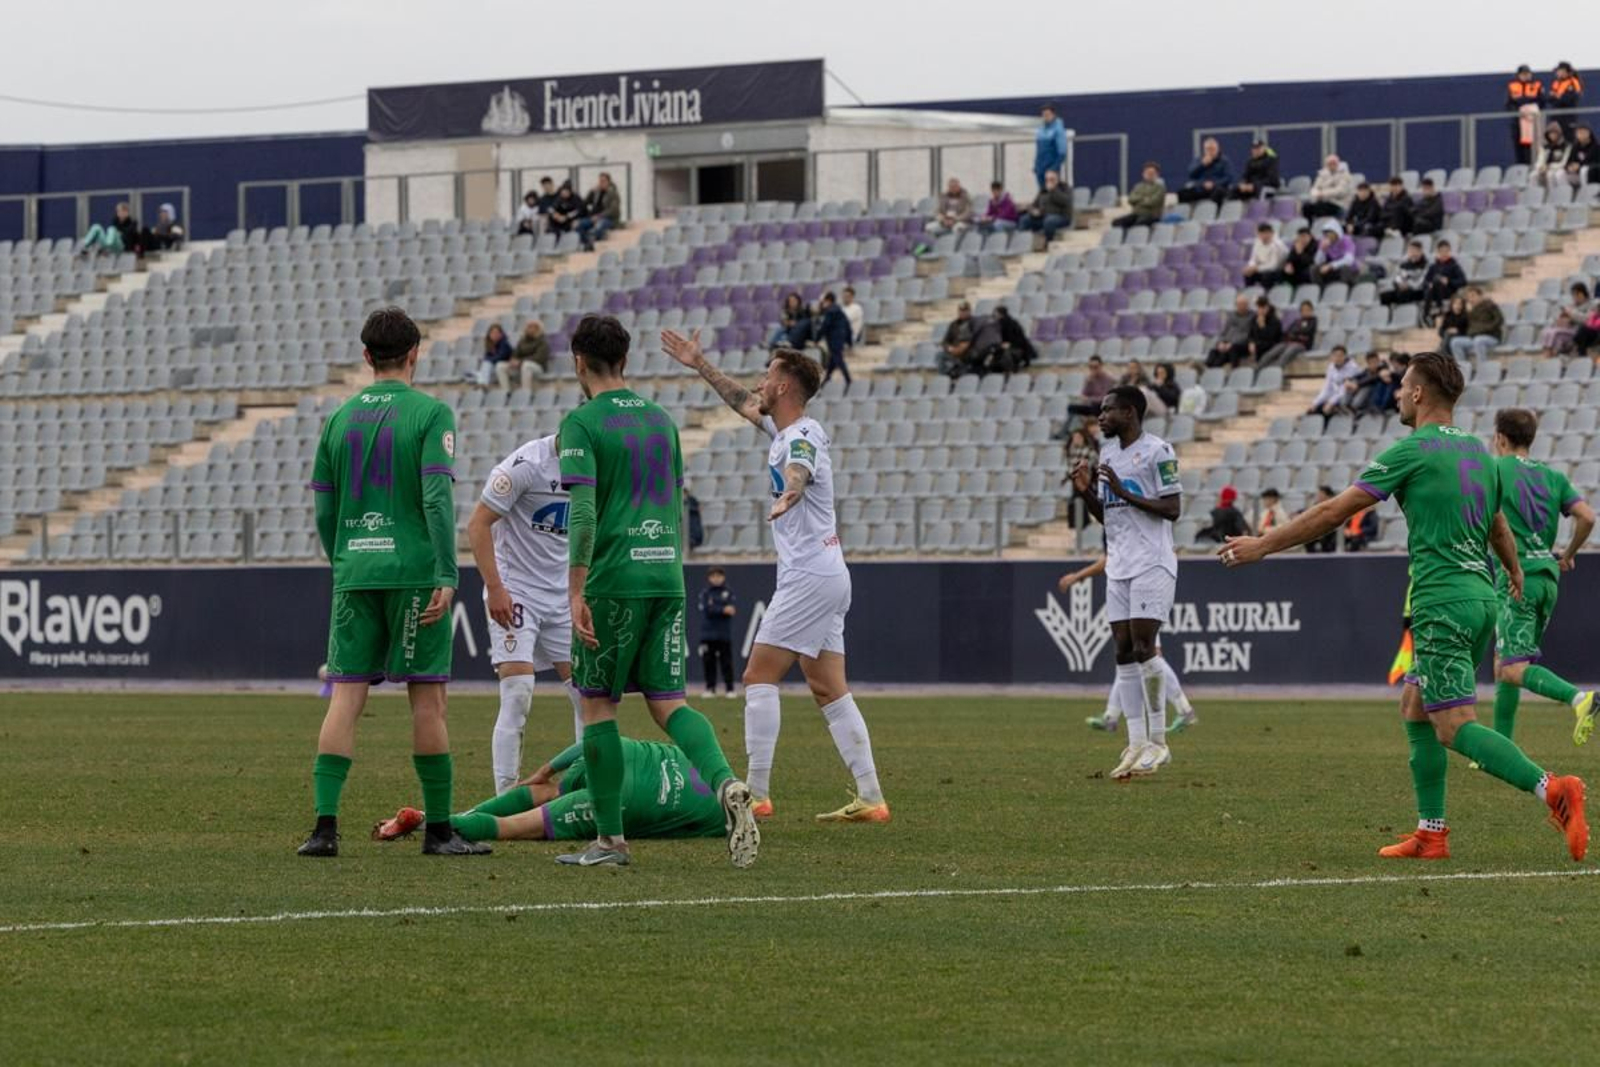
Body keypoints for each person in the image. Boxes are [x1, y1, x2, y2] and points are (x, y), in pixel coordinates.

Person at [1217, 351, 1589, 863]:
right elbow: (1498, 525)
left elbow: (1333, 511)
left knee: (1453, 724)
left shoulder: (1410, 451)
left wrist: (1263, 544)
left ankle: (1553, 789)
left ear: (1418, 394)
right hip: (1481, 597)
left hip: (1441, 602)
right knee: (1415, 705)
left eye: (1401, 387)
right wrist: (1515, 570)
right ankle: (1431, 833)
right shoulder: (1482, 454)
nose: (1394, 394)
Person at [663, 329, 890, 824]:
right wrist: (699, 361)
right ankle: (872, 797)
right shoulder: (783, 430)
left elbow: (801, 468)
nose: (760, 383)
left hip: (809, 574)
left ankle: (758, 793)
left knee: (756, 676)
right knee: (828, 686)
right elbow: (744, 403)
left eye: (768, 375)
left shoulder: (801, 436)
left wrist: (791, 491)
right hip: (828, 572)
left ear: (785, 386)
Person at [556, 314, 758, 869]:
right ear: (626, 360)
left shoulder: (581, 423)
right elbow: (674, 500)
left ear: (579, 362)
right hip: (666, 573)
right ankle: (724, 784)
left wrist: (576, 589)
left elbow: (584, 514)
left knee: (598, 706)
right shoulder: (662, 420)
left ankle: (611, 841)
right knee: (670, 703)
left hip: (613, 579)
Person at [298, 306, 482, 858]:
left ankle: (324, 829)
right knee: (428, 700)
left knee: (347, 696)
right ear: (414, 354)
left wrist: (344, 559)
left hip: (356, 570)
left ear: (365, 357)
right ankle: (440, 830)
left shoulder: (338, 419)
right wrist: (447, 571)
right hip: (415, 573)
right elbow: (434, 497)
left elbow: (324, 510)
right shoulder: (431, 414)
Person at [1068, 386, 1183, 780]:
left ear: (1130, 412)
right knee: (1121, 651)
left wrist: (1120, 491)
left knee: (1144, 647)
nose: (1100, 417)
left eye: (1108, 410)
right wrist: (1086, 494)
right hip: (1118, 563)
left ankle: (1159, 741)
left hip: (1152, 562)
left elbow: (1173, 508)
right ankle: (1135, 742)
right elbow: (1110, 514)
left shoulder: (1158, 451)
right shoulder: (1109, 453)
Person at [466, 432, 586, 793]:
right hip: (517, 591)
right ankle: (506, 793)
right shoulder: (526, 465)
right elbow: (477, 524)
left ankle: (586, 787)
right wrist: (496, 587)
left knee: (587, 696)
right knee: (518, 691)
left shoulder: (598, 464)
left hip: (563, 595)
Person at [373, 736, 727, 847]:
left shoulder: (694, 754)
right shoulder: (717, 818)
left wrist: (544, 771)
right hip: (623, 799)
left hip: (613, 754)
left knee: (547, 790)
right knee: (513, 828)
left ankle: (442, 818)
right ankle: (423, 822)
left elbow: (596, 739)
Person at [1487, 408, 1599, 746]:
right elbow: (1587, 517)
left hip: (1516, 578)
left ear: (1500, 438)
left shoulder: (1494, 470)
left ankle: (1580, 699)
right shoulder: (1553, 477)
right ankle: (1498, 749)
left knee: (1511, 666)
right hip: (1548, 578)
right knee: (1504, 662)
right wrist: (1568, 553)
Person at [1057, 555, 1197, 735]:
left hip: (1143, 586)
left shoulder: (1125, 531)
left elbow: (1111, 557)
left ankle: (1182, 711)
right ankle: (1112, 716)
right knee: (1130, 656)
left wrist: (1078, 576)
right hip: (1138, 586)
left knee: (1148, 655)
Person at [698, 567, 738, 699]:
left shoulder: (728, 592)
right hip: (707, 635)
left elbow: (731, 609)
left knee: (726, 662)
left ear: (723, 577)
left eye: (719, 576)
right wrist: (722, 609)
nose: (716, 579)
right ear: (709, 578)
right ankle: (710, 688)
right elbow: (708, 610)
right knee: (709, 662)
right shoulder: (705, 593)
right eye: (713, 576)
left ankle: (730, 689)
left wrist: (716, 607)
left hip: (723, 634)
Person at [1448, 287, 1505, 363]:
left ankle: (1483, 369)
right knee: (1455, 342)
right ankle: (1463, 369)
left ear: (1480, 296)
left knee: (1478, 340)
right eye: (1469, 297)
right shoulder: (1470, 310)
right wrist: (1466, 313)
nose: (1471, 299)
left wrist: (1486, 328)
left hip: (1491, 337)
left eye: (1473, 296)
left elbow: (1500, 320)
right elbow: (1463, 324)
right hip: (1474, 337)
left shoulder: (1490, 305)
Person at [1506, 64, 1545, 166]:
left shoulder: (1537, 85)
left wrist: (1527, 106)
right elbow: (1509, 104)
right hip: (1518, 121)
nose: (1526, 76)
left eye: (1527, 74)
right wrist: (1518, 111)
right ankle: (1521, 169)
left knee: (1533, 147)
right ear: (1518, 75)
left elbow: (1542, 102)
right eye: (1523, 74)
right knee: (1519, 147)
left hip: (1532, 122)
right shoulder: (1512, 86)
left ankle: (1533, 167)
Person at [1017, 170, 1074, 241]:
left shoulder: (1064, 188)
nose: (1049, 182)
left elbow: (1065, 201)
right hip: (1043, 216)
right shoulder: (1043, 190)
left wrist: (1053, 190)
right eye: (1047, 180)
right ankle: (1023, 243)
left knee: (1049, 221)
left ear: (1057, 179)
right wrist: (1033, 211)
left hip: (1061, 217)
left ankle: (1048, 243)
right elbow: (1034, 204)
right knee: (1025, 220)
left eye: (1052, 179)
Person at [1419, 240, 1467, 323]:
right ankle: (1430, 313)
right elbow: (1425, 281)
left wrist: (1448, 281)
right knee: (1432, 285)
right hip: (1433, 292)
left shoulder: (1454, 266)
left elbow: (1463, 281)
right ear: (1438, 252)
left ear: (1449, 251)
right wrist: (1429, 284)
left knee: (1437, 282)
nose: (1444, 253)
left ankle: (1430, 313)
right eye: (1442, 251)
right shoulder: (1433, 267)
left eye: (1446, 251)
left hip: (1448, 291)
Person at [1307, 346, 1360, 421]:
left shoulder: (1352, 367)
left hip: (1348, 396)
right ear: (1332, 356)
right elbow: (1327, 388)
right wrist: (1315, 403)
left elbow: (1343, 389)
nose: (1338, 358)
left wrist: (1331, 402)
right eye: (1335, 355)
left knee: (1327, 408)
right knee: (1313, 409)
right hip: (1335, 395)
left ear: (1345, 356)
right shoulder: (1331, 367)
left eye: (1340, 356)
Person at [815, 290, 853, 392]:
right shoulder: (839, 311)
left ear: (828, 301)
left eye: (824, 302)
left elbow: (825, 326)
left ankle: (848, 380)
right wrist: (849, 341)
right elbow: (848, 326)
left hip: (833, 339)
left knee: (838, 359)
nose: (822, 305)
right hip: (840, 338)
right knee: (833, 361)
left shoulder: (830, 311)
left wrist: (816, 339)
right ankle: (825, 382)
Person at [1259, 301, 1316, 368]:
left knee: (1287, 353)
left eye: (1307, 310)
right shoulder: (1297, 321)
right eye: (1303, 310)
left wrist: (1295, 334)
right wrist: (1296, 334)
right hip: (1289, 342)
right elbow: (1289, 332)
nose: (1305, 312)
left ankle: (1275, 370)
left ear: (1311, 310)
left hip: (1302, 345)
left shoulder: (1313, 321)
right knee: (1272, 352)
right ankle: (1257, 370)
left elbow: (1307, 331)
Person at [1176, 137, 1233, 205]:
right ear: (1204, 150)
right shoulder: (1199, 160)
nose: (1210, 151)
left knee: (1219, 193)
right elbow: (1191, 174)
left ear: (1218, 149)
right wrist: (1202, 165)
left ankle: (1215, 213)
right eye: (1208, 149)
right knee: (1182, 193)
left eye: (1213, 149)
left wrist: (1214, 184)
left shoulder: (1224, 161)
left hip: (1216, 188)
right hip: (1201, 188)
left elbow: (1228, 178)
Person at [576, 172, 622, 251]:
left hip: (608, 219)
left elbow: (613, 210)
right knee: (580, 225)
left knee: (600, 225)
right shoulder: (596, 192)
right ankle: (587, 243)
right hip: (594, 217)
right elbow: (585, 203)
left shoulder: (613, 194)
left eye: (603, 181)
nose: (601, 183)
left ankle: (593, 242)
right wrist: (591, 192)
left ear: (608, 182)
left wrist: (599, 216)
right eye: (600, 181)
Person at [1113, 162, 1167, 230]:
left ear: (1157, 174)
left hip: (1151, 215)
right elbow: (1131, 199)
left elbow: (1152, 202)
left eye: (1152, 173)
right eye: (1147, 173)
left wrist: (1138, 201)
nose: (1149, 175)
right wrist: (1144, 198)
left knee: (1138, 225)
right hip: (1136, 214)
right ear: (1143, 174)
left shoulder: (1160, 188)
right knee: (1117, 223)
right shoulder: (1138, 186)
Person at [1205, 293, 1253, 368]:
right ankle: (1206, 369)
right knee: (1213, 352)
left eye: (1243, 304)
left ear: (1247, 305)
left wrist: (1231, 344)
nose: (1240, 306)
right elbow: (1223, 331)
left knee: (1222, 357)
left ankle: (1214, 372)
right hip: (1226, 343)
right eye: (1238, 304)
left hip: (1238, 345)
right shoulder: (1231, 316)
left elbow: (1247, 334)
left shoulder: (1251, 317)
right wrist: (1220, 343)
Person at [1544, 282, 1592, 356]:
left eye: (1575, 294)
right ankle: (1550, 354)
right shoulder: (1572, 305)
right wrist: (1562, 317)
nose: (1574, 297)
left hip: (1579, 332)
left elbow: (1587, 319)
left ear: (1581, 294)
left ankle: (1551, 354)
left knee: (1555, 334)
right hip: (1567, 329)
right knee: (1548, 331)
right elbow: (1561, 318)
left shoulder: (1591, 305)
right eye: (1573, 295)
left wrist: (1571, 313)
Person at [1302, 155, 1354, 220]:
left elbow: (1340, 191)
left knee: (1322, 208)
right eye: (1330, 164)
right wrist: (1316, 193)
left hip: (1337, 203)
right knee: (1306, 207)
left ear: (1337, 164)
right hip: (1323, 201)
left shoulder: (1344, 175)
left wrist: (1323, 193)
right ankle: (1310, 226)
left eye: (1334, 163)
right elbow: (1315, 188)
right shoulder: (1322, 174)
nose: (1332, 165)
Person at [1380, 241, 1431, 308]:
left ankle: (1406, 315)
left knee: (1404, 294)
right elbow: (1397, 278)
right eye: (1410, 251)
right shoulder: (1404, 265)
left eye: (1414, 251)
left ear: (1420, 251)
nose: (1412, 254)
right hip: (1403, 289)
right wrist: (1400, 284)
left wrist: (1408, 285)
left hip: (1418, 290)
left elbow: (1421, 282)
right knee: (1384, 296)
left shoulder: (1426, 265)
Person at [503, 321, 550, 392]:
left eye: (533, 327)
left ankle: (525, 392)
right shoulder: (522, 341)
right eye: (529, 327)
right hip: (520, 366)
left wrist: (521, 362)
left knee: (526, 365)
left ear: (538, 329)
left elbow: (539, 358)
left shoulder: (542, 341)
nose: (530, 329)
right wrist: (513, 360)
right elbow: (515, 353)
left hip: (538, 367)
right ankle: (506, 391)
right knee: (500, 366)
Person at [1313, 220, 1360, 287]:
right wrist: (1322, 250)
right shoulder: (1324, 242)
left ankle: (1343, 288)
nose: (1327, 236)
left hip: (1349, 269)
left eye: (1329, 234)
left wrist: (1331, 266)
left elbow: (1349, 260)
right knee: (1314, 269)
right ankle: (1320, 289)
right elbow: (1317, 261)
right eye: (1325, 234)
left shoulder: (1346, 240)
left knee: (1344, 268)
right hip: (1332, 269)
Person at [1241, 223, 1288, 288]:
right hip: (1261, 268)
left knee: (1266, 276)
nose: (1262, 236)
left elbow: (1273, 265)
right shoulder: (1258, 242)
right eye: (1260, 234)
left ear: (1271, 233)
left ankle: (1266, 295)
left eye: (1265, 233)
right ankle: (1249, 294)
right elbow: (1253, 258)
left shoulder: (1277, 245)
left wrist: (1256, 268)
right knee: (1248, 274)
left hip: (1278, 271)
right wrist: (1251, 267)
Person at [1033, 104, 1068, 190]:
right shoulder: (1041, 129)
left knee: (1052, 193)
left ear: (1053, 115)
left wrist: (1053, 168)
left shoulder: (1058, 129)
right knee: (1042, 193)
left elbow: (1062, 152)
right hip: (1040, 167)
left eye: (1048, 114)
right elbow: (1039, 150)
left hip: (1051, 167)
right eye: (1044, 115)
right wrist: (1036, 166)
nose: (1046, 117)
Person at [939, 301, 976, 376]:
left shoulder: (974, 323)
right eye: (961, 311)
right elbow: (945, 341)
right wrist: (949, 348)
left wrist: (964, 348)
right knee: (940, 356)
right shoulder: (954, 324)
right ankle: (944, 379)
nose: (962, 313)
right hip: (954, 352)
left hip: (968, 353)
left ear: (969, 311)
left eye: (965, 311)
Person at [1532, 121, 1572, 188]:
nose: (1552, 135)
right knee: (1533, 175)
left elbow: (1564, 163)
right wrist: (1540, 167)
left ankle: (1553, 195)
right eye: (1550, 133)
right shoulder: (1545, 147)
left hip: (1558, 169)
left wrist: (1549, 167)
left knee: (1550, 175)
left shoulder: (1566, 146)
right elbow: (1540, 160)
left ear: (1559, 134)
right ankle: (1534, 195)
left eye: (1554, 133)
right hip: (1545, 169)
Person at [1246, 296, 1283, 366]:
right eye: (1259, 308)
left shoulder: (1274, 321)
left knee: (1260, 347)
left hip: (1271, 345)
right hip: (1257, 344)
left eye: (1263, 308)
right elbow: (1250, 334)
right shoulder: (1254, 319)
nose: (1261, 310)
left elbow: (1270, 338)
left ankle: (1259, 367)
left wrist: (1262, 326)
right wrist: (1251, 342)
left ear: (1268, 308)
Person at [1549, 62, 1584, 136]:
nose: (1558, 73)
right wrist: (1558, 97)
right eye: (1557, 71)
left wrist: (1557, 97)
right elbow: (1549, 99)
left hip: (1568, 116)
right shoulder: (1556, 82)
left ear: (1566, 72)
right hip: (1555, 115)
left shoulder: (1573, 82)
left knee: (1569, 137)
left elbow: (1568, 100)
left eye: (1560, 71)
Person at [1303, 486, 1339, 553]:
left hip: (1331, 529)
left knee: (1328, 538)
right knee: (1308, 539)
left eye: (1321, 494)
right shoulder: (1317, 505)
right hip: (1318, 529)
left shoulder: (1334, 504)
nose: (1319, 496)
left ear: (1327, 495)